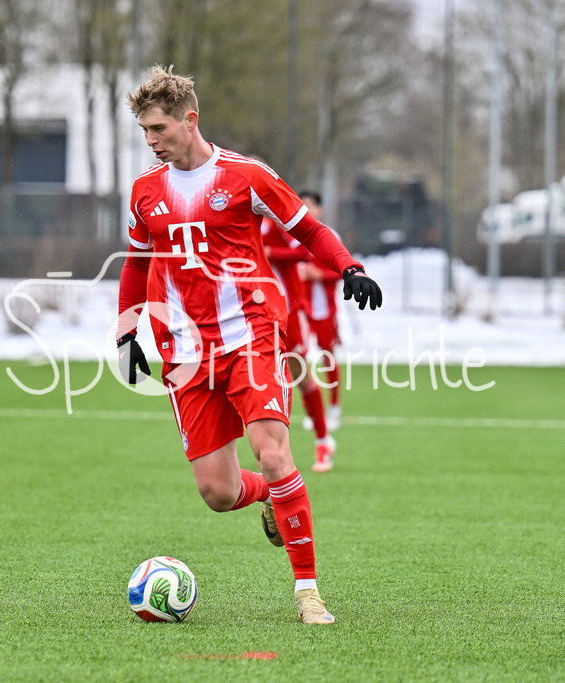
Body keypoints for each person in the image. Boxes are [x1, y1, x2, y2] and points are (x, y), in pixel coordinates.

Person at [116, 65, 381, 625]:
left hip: (249, 337)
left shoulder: (246, 176)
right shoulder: (145, 191)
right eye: (144, 131)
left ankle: (308, 594)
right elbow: (137, 264)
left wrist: (349, 267)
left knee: (273, 451)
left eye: (159, 128)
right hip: (184, 355)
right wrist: (127, 331)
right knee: (217, 492)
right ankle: (270, 497)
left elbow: (308, 230)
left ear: (190, 120)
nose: (151, 140)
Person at [260, 213, 336, 471]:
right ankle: (270, 453)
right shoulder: (233, 217)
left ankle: (323, 441)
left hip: (289, 311)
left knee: (300, 375)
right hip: (254, 313)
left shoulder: (274, 220)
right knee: (258, 381)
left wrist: (269, 252)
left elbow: (303, 252)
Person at [297, 191, 344, 432]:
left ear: (320, 209)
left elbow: (342, 271)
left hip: (324, 310)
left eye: (312, 205)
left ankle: (334, 407)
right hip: (298, 310)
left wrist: (319, 275)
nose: (307, 209)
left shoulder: (329, 236)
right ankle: (312, 411)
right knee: (299, 359)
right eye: (302, 204)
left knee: (328, 357)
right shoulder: (289, 235)